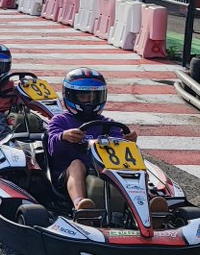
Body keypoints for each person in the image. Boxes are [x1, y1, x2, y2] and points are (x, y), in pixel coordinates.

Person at [46, 68, 160, 214]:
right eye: (83, 96)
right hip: (66, 175)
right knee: (77, 164)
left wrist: (126, 142)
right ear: (71, 96)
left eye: (94, 97)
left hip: (101, 171)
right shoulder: (60, 121)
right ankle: (80, 204)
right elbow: (51, 149)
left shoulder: (108, 124)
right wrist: (63, 137)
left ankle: (147, 204)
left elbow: (118, 151)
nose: (89, 101)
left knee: (134, 165)